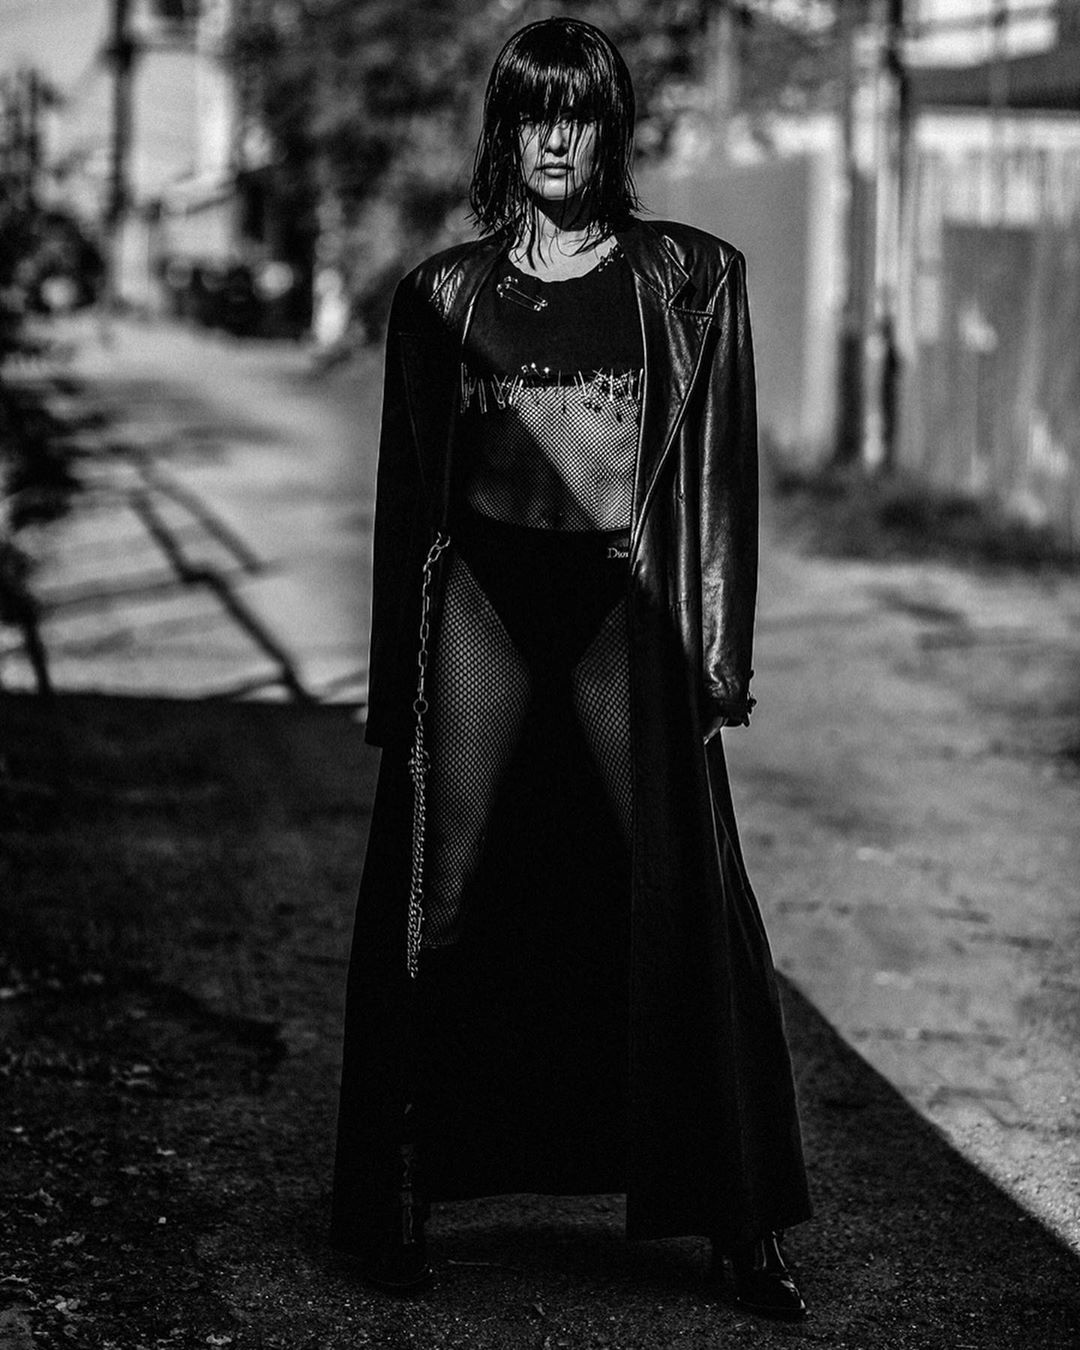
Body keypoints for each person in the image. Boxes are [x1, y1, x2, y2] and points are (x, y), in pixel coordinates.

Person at [332, 16, 812, 1321]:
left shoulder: (691, 278)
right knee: (439, 893)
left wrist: (716, 659)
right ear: (507, 131)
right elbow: (405, 504)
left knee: (684, 892)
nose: (556, 139)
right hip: (483, 601)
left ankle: (744, 1224)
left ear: (613, 129)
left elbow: (717, 481)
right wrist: (394, 683)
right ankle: (401, 1197)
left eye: (580, 114)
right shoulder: (441, 296)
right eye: (534, 114)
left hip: (621, 605)